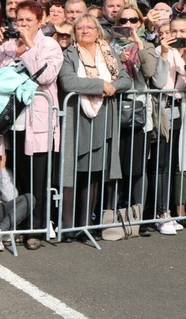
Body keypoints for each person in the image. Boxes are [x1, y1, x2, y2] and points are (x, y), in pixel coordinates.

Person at [0, 0, 63, 250]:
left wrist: (30, 46)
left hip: (37, 121)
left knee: (37, 179)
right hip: (10, 121)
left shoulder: (50, 46)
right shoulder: (7, 45)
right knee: (16, 179)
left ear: (40, 22)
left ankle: (35, 229)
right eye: (20, 20)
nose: (23, 25)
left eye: (29, 20)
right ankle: (16, 225)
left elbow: (45, 76)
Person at [58, 13, 132, 238]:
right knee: (73, 171)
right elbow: (69, 81)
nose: (85, 31)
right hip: (77, 116)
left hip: (103, 116)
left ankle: (85, 225)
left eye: (90, 27)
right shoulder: (68, 54)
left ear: (98, 31)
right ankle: (68, 227)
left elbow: (126, 79)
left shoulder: (109, 53)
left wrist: (112, 87)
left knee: (94, 170)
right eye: (80, 28)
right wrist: (101, 85)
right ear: (74, 32)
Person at [151, 15, 186, 235]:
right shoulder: (159, 51)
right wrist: (164, 54)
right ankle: (160, 214)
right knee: (160, 164)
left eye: (182, 31)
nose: (178, 36)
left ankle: (166, 212)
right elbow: (157, 82)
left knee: (172, 163)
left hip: (180, 112)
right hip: (161, 111)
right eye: (174, 31)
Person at [111, 6, 156, 224]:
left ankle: (136, 215)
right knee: (116, 164)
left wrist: (139, 44)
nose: (128, 24)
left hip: (139, 111)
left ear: (140, 22)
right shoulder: (109, 46)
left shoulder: (147, 45)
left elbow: (149, 72)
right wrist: (118, 59)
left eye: (133, 19)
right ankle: (113, 213)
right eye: (123, 20)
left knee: (138, 166)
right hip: (115, 109)